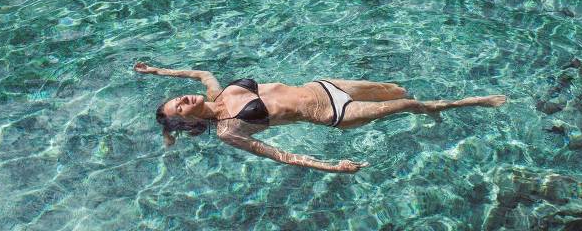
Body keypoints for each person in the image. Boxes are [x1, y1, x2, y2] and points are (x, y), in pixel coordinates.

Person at [134, 62, 507, 173]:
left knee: (397, 89)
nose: (181, 100)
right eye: (178, 108)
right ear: (188, 121)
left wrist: (156, 72)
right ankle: (474, 102)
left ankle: (431, 112)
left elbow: (197, 74)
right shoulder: (228, 131)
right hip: (334, 112)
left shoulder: (217, 92)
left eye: (176, 100)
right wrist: (332, 167)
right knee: (409, 105)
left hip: (325, 85)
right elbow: (277, 154)